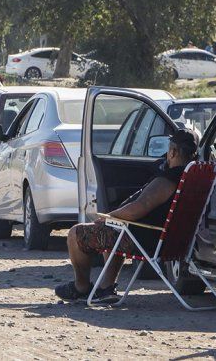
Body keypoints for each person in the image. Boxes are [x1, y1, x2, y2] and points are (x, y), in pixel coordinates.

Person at [54, 129, 200, 303]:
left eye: (169, 150)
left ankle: (81, 287)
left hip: (146, 240)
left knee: (75, 234)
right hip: (173, 241)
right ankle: (105, 287)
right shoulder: (193, 178)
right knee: (117, 228)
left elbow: (138, 208)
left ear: (173, 152)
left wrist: (109, 217)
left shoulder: (168, 179)